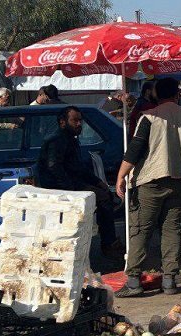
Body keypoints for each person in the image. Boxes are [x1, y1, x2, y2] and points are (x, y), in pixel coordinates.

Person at [115, 78, 181, 297]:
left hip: (151, 180)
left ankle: (134, 281)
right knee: (172, 229)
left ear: (155, 94)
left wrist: (120, 177)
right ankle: (169, 281)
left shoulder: (150, 117)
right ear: (177, 94)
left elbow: (135, 150)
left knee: (141, 229)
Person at [37, 106, 120, 257]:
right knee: (103, 198)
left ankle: (110, 241)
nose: (79, 124)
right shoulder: (57, 140)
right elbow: (53, 167)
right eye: (75, 120)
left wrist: (97, 181)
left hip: (73, 182)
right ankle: (108, 243)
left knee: (105, 193)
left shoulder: (71, 140)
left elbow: (79, 168)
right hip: (59, 187)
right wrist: (70, 189)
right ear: (63, 122)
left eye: (80, 120)